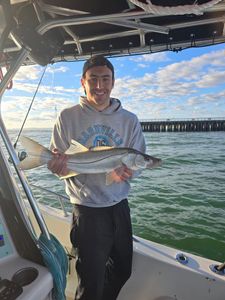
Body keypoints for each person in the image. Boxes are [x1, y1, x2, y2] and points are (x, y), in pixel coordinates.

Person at [48, 55, 146, 300]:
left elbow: (139, 161)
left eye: (105, 79)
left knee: (122, 270)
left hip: (119, 207)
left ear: (113, 82)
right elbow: (56, 163)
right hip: (87, 210)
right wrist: (56, 165)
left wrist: (130, 171)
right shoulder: (67, 117)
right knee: (90, 281)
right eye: (93, 79)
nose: (99, 86)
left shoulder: (130, 120)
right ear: (83, 82)